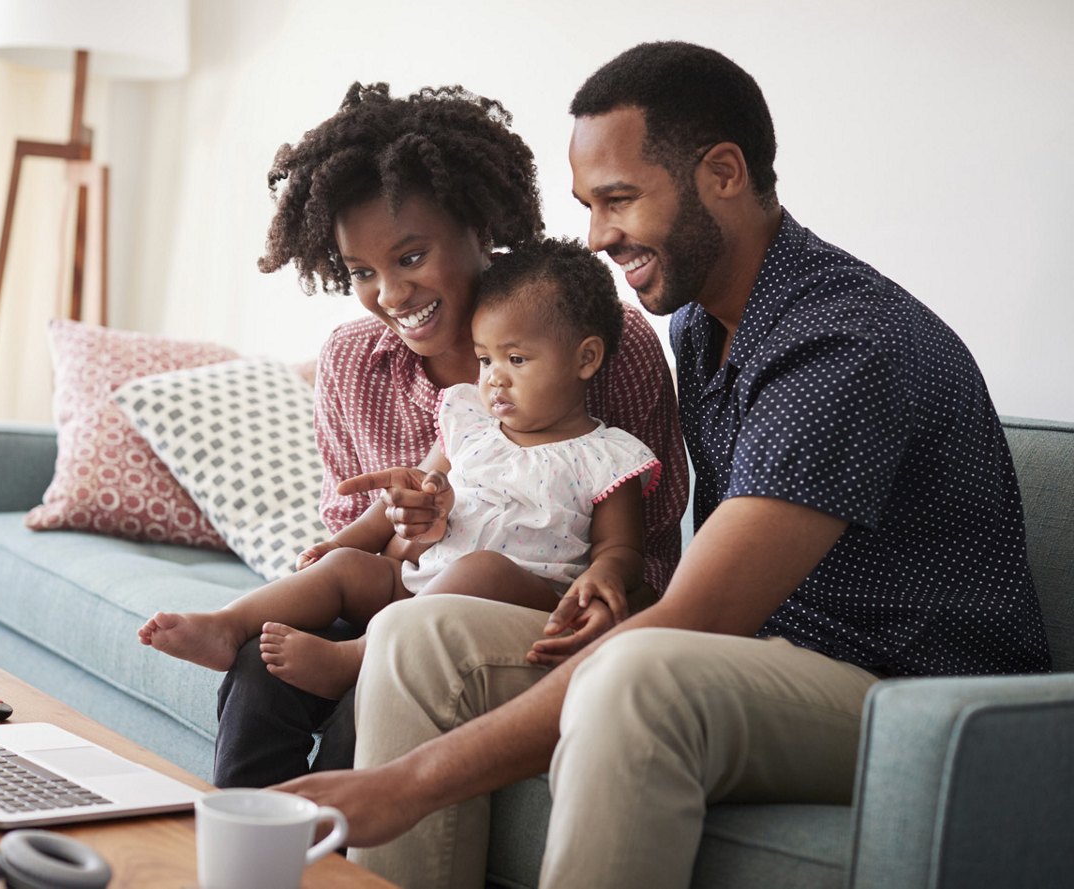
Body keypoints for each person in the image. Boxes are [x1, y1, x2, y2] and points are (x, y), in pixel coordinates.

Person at [273, 42, 1052, 889]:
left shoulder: (840, 343)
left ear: (723, 172)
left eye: (618, 200)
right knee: (420, 633)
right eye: (589, 205)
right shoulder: (702, 324)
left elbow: (700, 615)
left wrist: (405, 784)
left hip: (921, 697)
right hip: (773, 653)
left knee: (636, 676)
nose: (598, 236)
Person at [211, 82, 689, 789]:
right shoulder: (352, 363)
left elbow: (646, 560)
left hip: (515, 614)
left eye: (409, 258)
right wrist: (411, 532)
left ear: (478, 225)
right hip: (401, 593)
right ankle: (244, 848)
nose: (391, 295)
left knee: (377, 697)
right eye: (363, 273)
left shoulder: (604, 343)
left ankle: (334, 859)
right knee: (257, 668)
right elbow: (365, 557)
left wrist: (597, 592)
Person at [140, 237, 662, 700]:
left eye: (517, 360)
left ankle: (356, 659)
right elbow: (412, 493)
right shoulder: (468, 422)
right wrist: (345, 544)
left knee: (482, 567)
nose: (495, 380)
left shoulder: (607, 455)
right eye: (485, 360)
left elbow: (621, 550)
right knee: (346, 571)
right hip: (419, 580)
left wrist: (603, 580)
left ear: (586, 359)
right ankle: (228, 624)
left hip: (519, 600)